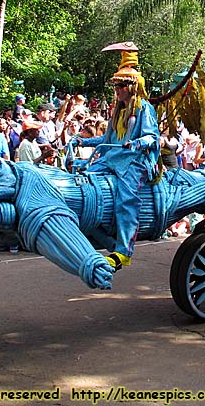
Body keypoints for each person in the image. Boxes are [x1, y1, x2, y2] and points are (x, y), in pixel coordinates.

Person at [74, 42, 160, 271]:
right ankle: (100, 239)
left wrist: (138, 142)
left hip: (135, 161)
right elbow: (106, 141)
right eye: (116, 86)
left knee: (126, 198)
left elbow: (153, 138)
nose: (117, 90)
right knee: (84, 183)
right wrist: (84, 141)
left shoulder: (144, 108)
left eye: (121, 85)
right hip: (112, 159)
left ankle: (124, 252)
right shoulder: (117, 111)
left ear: (131, 86)